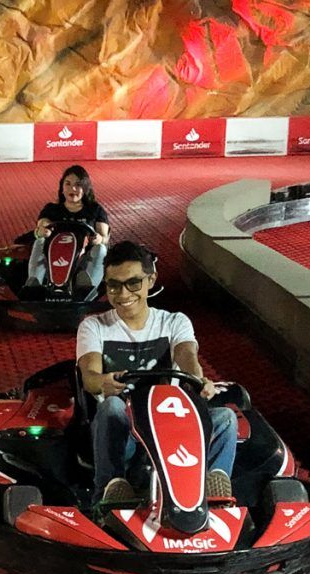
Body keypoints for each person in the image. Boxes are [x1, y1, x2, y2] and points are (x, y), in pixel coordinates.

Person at [77, 240, 237, 504]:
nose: (123, 294)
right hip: (124, 430)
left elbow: (187, 355)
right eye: (114, 285)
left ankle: (212, 489)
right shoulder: (94, 326)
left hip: (169, 425)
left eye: (133, 283)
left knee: (226, 419)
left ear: (150, 280)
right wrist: (102, 382)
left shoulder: (174, 322)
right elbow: (89, 376)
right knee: (112, 407)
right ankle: (109, 492)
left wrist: (197, 379)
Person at [25, 164, 110, 292]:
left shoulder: (95, 210)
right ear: (62, 188)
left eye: (78, 185)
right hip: (54, 256)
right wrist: (41, 231)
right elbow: (41, 226)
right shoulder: (51, 209)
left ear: (85, 188)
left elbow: (104, 237)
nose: (72, 188)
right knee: (39, 241)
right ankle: (34, 285)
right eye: (68, 184)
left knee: (101, 249)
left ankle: (87, 289)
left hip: (83, 258)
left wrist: (99, 239)